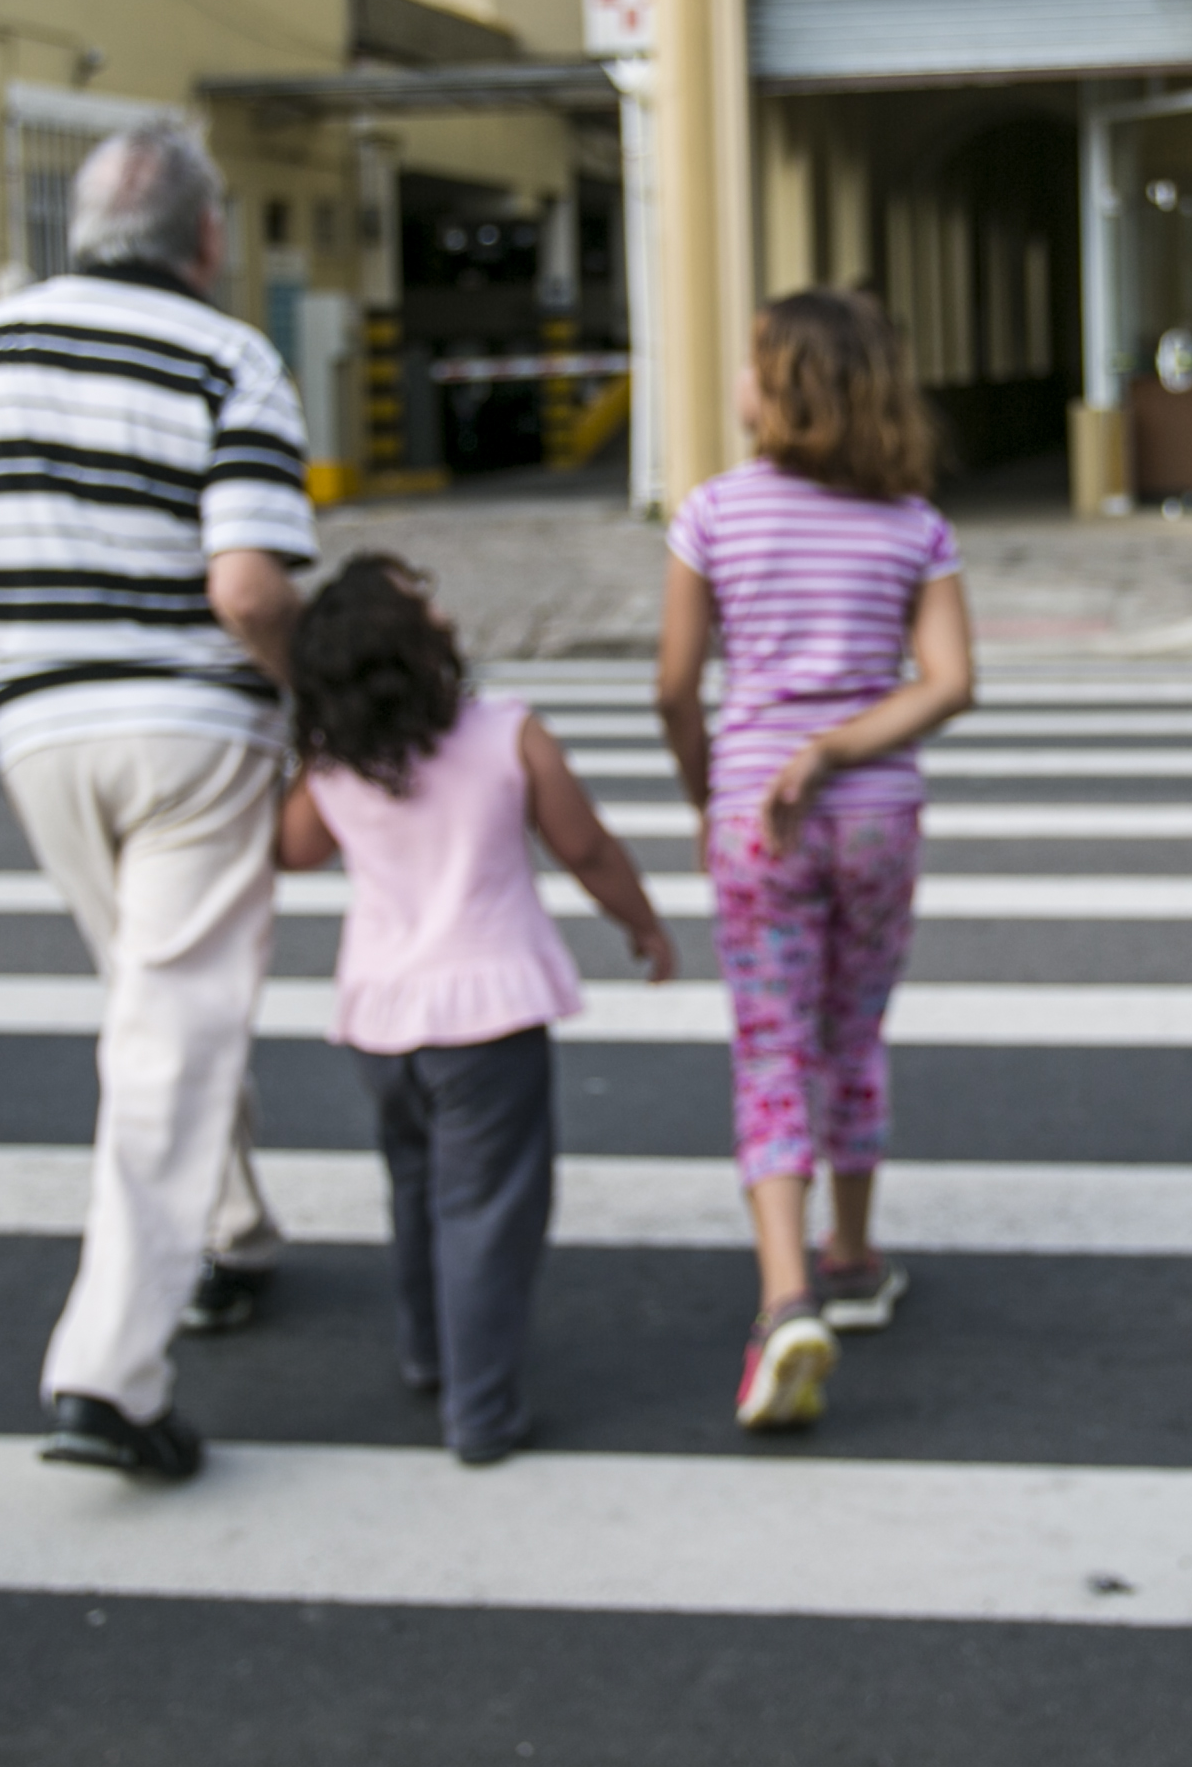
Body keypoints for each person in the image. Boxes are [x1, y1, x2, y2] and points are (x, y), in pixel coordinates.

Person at [0, 124, 312, 1483]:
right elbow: (249, 588)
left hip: (40, 728)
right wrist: (318, 706)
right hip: (191, 726)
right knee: (174, 1022)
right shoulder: (232, 357)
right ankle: (108, 1375)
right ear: (206, 237)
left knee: (152, 1001)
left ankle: (225, 1231)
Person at [275, 554, 678, 1464]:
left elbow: (292, 851)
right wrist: (643, 924)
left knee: (416, 1192)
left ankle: (428, 1353)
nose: (447, 613)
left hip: (381, 1020)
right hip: (489, 1014)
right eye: (429, 606)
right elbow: (585, 846)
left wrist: (314, 754)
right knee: (488, 1211)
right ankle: (482, 1410)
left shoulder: (337, 762)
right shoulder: (506, 732)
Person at [656, 289, 975, 1431]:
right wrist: (839, 744)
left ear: (788, 386)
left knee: (772, 1040)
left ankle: (786, 1296)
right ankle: (852, 1249)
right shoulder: (913, 524)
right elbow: (949, 682)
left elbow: (674, 688)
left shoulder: (712, 515)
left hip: (758, 814)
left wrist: (718, 791)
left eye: (752, 363)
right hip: (879, 810)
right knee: (853, 1028)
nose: (738, 383)